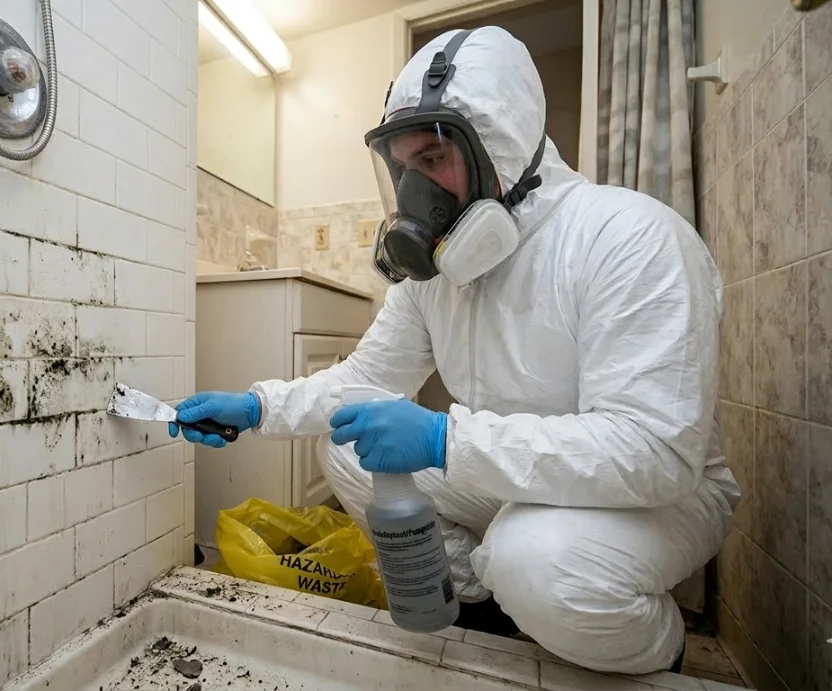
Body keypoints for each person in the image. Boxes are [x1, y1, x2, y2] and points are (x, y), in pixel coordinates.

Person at [170, 26, 739, 676]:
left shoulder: (627, 237)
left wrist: (445, 439)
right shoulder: (436, 276)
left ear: (500, 147)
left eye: (434, 159)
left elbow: (655, 452)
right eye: (404, 169)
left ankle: (657, 645)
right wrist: (257, 407)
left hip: (660, 491)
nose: (418, 193)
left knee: (536, 560)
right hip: (517, 472)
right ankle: (488, 606)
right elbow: (365, 380)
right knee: (348, 447)